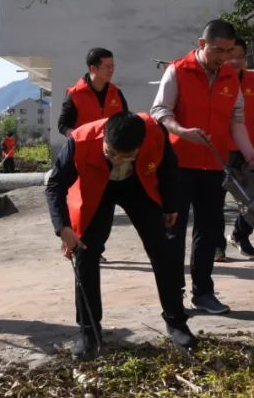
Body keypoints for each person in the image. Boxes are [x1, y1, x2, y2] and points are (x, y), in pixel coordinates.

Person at [46, 112, 196, 359]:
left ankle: (176, 322)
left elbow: (169, 168)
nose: (116, 160)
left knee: (162, 249)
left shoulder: (155, 133)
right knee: (86, 252)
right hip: (97, 189)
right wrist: (63, 228)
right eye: (111, 153)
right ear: (104, 137)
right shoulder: (80, 142)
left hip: (137, 184)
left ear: (140, 146)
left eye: (125, 156)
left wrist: (170, 205)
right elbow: (55, 186)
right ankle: (89, 331)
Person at [151, 19, 254, 315]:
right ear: (202, 45)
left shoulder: (230, 77)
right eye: (217, 50)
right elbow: (160, 111)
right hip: (177, 165)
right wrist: (181, 131)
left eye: (228, 52)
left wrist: (250, 151)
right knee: (174, 231)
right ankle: (173, 295)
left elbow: (237, 121)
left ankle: (203, 293)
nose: (223, 58)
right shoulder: (178, 70)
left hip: (215, 164)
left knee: (209, 229)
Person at [216, 37, 254, 260]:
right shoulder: (215, 80)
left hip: (248, 149)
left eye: (239, 56)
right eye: (230, 55)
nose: (234, 60)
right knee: (215, 198)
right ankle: (217, 244)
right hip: (221, 149)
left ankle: (241, 234)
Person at [57, 47, 129, 137]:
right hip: (85, 149)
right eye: (107, 67)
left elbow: (126, 121)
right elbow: (63, 125)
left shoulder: (116, 93)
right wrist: (78, 137)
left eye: (112, 66)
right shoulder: (74, 94)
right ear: (93, 69)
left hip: (111, 149)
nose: (111, 70)